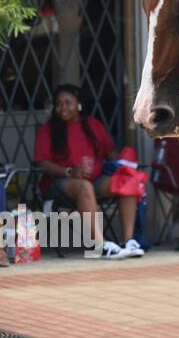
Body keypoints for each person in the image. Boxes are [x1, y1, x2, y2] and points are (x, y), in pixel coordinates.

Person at [32, 83, 143, 258]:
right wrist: (69, 171)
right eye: (59, 103)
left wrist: (123, 165)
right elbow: (42, 163)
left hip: (94, 179)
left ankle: (128, 241)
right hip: (58, 182)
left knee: (126, 180)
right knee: (84, 186)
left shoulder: (92, 125)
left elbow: (110, 151)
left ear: (78, 105)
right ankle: (100, 245)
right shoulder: (48, 129)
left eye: (68, 103)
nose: (63, 108)